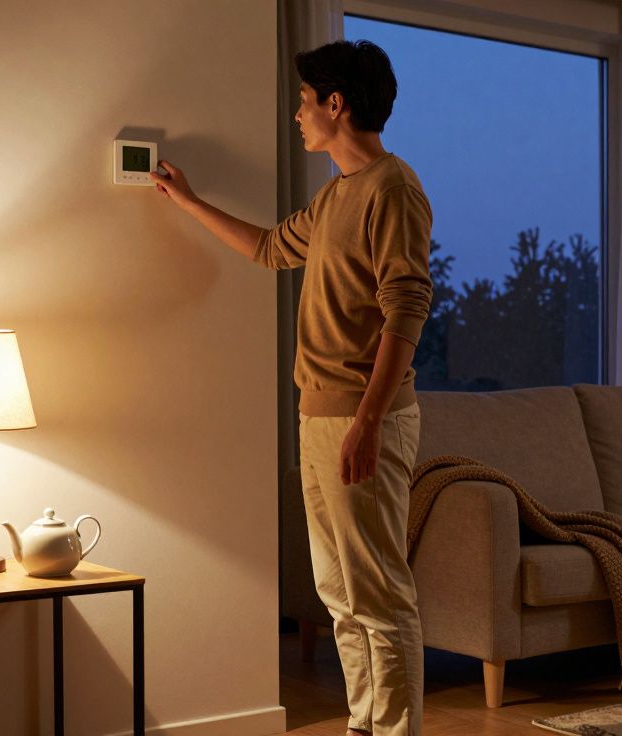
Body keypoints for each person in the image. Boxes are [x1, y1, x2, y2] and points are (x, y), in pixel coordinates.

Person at [151, 40, 432, 736]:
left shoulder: (393, 189)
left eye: (305, 102)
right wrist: (188, 202)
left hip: (362, 419)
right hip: (319, 415)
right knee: (339, 593)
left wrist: (368, 422)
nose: (298, 114)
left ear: (337, 105)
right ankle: (363, 723)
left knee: (379, 594)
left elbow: (407, 309)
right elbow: (271, 248)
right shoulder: (336, 194)